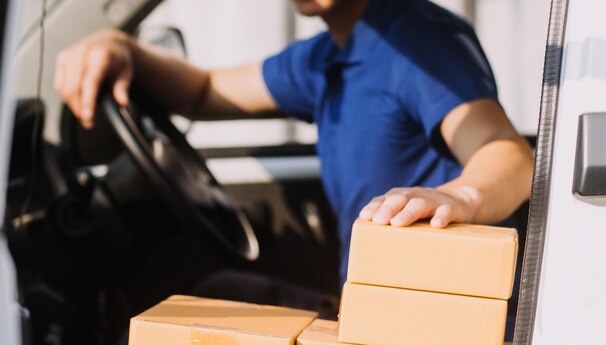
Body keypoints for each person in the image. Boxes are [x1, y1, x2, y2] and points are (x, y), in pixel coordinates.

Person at [54, 0, 534, 282]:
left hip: (432, 317)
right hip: (364, 301)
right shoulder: (323, 58)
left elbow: (505, 150)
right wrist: (120, 47)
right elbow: (202, 91)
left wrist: (456, 196)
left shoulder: (419, 40)